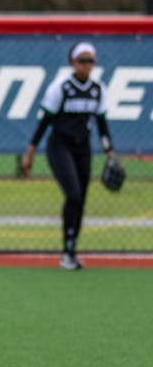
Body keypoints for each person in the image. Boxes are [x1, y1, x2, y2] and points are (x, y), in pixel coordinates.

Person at [20, 41, 115, 270]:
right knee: (73, 194)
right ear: (73, 62)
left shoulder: (98, 89)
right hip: (60, 146)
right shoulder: (60, 88)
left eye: (90, 60)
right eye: (82, 60)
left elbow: (102, 124)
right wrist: (30, 151)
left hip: (83, 148)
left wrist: (110, 153)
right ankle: (67, 251)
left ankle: (70, 249)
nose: (87, 65)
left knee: (81, 198)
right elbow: (45, 122)